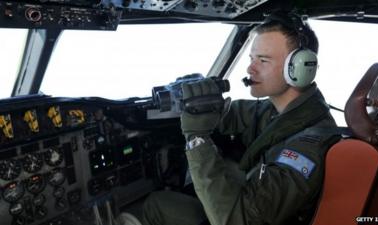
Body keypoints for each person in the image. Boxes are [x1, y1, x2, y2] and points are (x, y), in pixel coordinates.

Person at [139, 11, 341, 225]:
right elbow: (233, 115)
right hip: (254, 202)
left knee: (156, 204)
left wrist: (196, 138)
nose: (250, 68)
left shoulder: (307, 148)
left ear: (299, 69)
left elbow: (239, 220)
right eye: (252, 58)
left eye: (263, 60)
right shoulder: (280, 111)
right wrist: (200, 100)